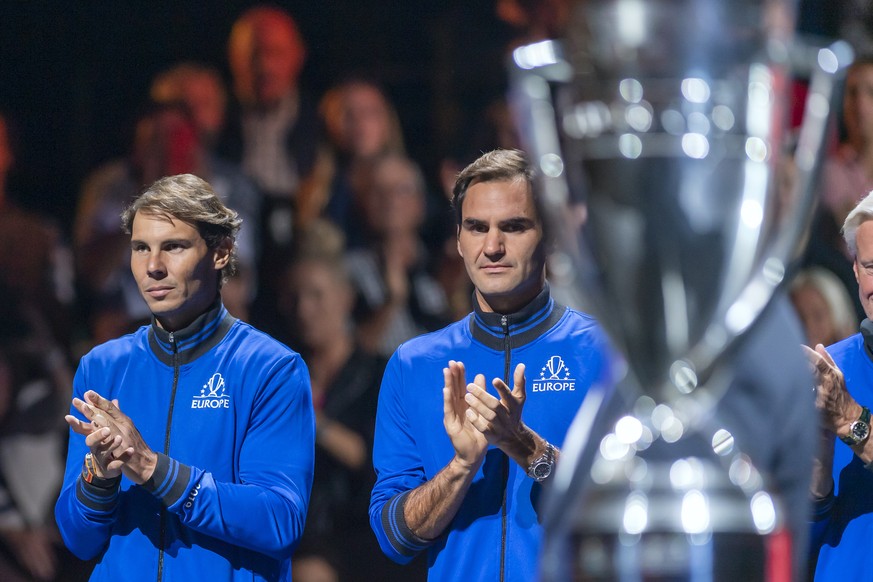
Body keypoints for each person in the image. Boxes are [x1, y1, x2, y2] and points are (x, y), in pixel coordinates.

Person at [368, 149, 613, 581]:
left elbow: (621, 505)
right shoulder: (413, 364)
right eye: (476, 227)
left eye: (513, 227)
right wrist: (461, 467)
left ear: (551, 235)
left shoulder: (602, 353)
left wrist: (525, 447)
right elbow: (394, 537)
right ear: (459, 240)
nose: (493, 246)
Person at [55, 174, 314, 581]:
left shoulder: (271, 368)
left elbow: (279, 522)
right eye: (141, 248)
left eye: (173, 247)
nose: (153, 267)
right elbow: (78, 540)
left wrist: (152, 469)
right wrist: (98, 477)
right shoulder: (102, 367)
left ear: (222, 253)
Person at [805, 188, 873, 580]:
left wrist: (850, 419)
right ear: (855, 271)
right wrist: (816, 475)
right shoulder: (829, 372)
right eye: (871, 266)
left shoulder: (838, 398)